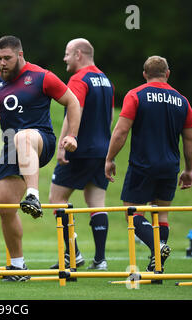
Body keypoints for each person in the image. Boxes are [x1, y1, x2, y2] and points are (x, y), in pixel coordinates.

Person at [0, 35, 81, 281]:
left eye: (7, 58)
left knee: (23, 137)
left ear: (20, 55)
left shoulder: (42, 76)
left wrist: (73, 136)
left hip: (40, 140)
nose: (2, 63)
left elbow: (73, 102)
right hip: (11, 148)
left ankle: (33, 195)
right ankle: (17, 266)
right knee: (4, 205)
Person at [105, 55, 192, 272]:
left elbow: (121, 131)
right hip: (170, 166)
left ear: (145, 74)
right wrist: (189, 169)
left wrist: (109, 158)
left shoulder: (136, 95)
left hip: (142, 165)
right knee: (161, 214)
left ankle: (158, 247)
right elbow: (190, 139)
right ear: (167, 74)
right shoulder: (182, 101)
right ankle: (158, 268)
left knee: (132, 213)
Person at [49, 38, 114, 271]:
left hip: (79, 149)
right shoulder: (106, 80)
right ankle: (100, 260)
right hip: (101, 151)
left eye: (67, 54)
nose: (64, 58)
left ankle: (72, 254)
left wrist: (63, 143)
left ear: (78, 54)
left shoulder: (79, 79)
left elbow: (75, 109)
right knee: (97, 203)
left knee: (57, 200)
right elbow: (110, 117)